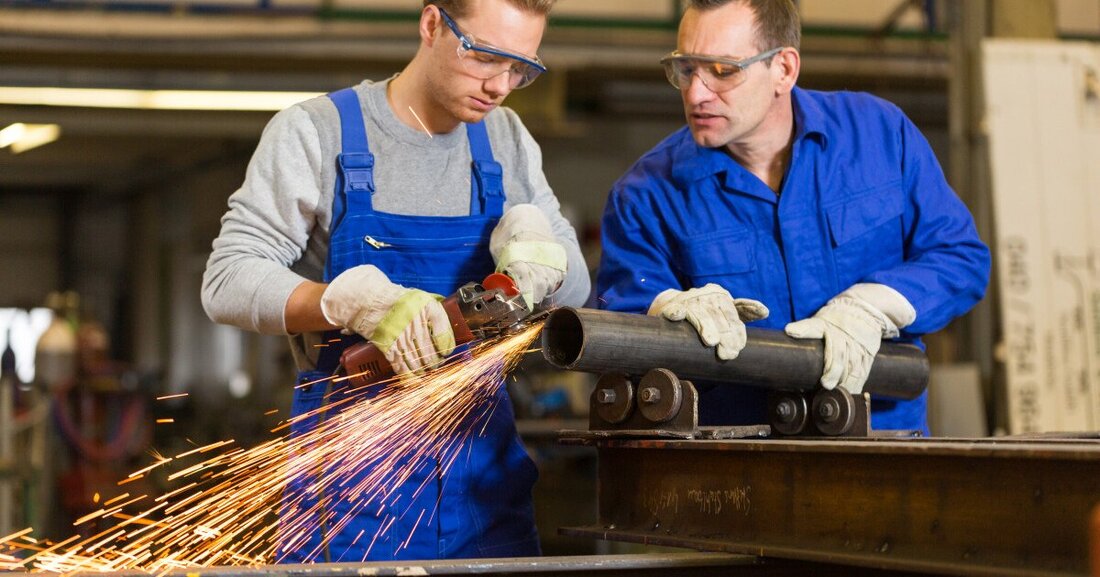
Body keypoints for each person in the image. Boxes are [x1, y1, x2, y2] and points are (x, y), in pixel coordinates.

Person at [202, 0, 589, 562]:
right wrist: (344, 302)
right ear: (431, 24)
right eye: (486, 57)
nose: (502, 86)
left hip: (484, 485)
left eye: (521, 68)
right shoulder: (318, 132)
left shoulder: (506, 139)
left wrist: (539, 255)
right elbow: (227, 279)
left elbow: (576, 291)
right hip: (351, 491)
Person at [596, 0, 990, 435]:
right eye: (685, 69)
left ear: (783, 69)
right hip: (735, 460)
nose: (695, 94)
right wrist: (663, 309)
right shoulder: (646, 194)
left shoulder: (879, 137)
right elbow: (621, 321)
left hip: (883, 448)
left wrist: (876, 304)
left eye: (723, 71)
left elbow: (960, 257)